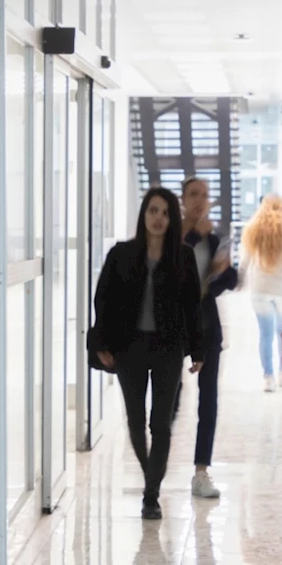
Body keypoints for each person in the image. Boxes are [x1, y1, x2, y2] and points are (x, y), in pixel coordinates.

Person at [90, 187, 204, 520]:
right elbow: (103, 300)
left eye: (165, 213)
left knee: (161, 424)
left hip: (168, 349)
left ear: (172, 219)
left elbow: (192, 306)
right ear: (143, 215)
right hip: (130, 348)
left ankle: (151, 495)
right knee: (136, 421)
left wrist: (198, 349)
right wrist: (101, 344)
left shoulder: (183, 257)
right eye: (153, 211)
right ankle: (150, 475)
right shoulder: (121, 254)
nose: (158, 218)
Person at [179, 177, 237, 500]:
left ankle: (201, 472)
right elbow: (169, 273)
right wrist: (192, 236)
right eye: (193, 194)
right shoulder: (172, 238)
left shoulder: (214, 240)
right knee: (167, 403)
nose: (200, 200)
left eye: (204, 194)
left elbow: (228, 280)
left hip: (207, 328)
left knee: (209, 401)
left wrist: (222, 271)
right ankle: (155, 471)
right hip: (174, 329)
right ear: (182, 200)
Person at [239, 194, 282, 391]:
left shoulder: (254, 229)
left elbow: (245, 261)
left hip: (260, 289)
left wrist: (239, 281)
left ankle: (268, 377)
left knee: (265, 334)